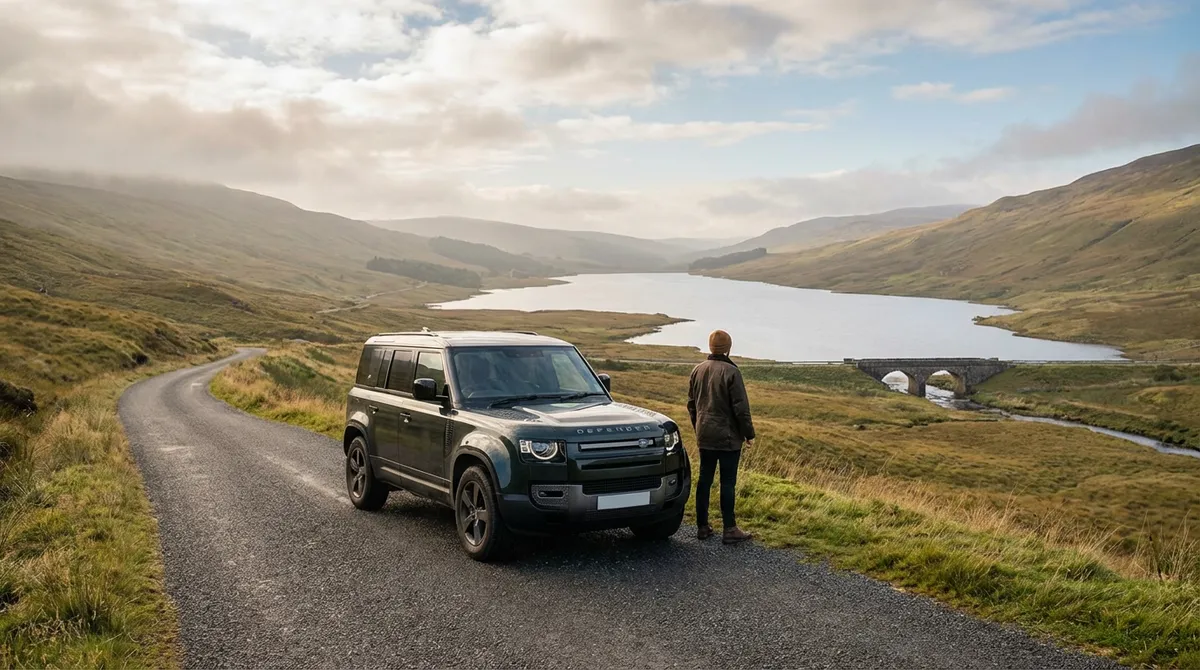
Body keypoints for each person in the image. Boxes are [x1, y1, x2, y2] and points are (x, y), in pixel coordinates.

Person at [687, 329, 755, 545]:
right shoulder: (732, 372)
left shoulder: (697, 370)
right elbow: (741, 408)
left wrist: (699, 428)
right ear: (728, 348)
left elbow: (691, 405)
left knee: (704, 480)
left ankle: (702, 527)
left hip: (704, 434)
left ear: (710, 347)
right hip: (728, 437)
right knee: (727, 483)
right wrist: (748, 434)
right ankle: (730, 529)